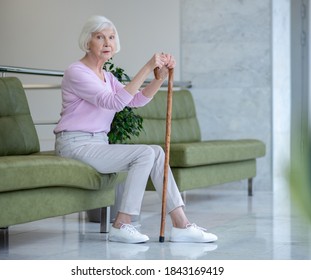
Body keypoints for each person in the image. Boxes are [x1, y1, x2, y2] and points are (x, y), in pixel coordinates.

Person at [54, 15, 218, 244]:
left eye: (111, 37)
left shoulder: (107, 77)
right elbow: (114, 103)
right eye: (100, 37)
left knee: (157, 152)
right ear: (87, 42)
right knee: (144, 153)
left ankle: (181, 224)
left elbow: (135, 100)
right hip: (75, 144)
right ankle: (122, 223)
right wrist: (147, 66)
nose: (107, 42)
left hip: (98, 144)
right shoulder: (77, 72)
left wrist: (157, 78)